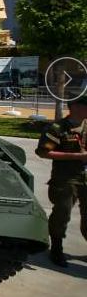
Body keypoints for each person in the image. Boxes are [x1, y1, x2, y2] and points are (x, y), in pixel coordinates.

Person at [35, 95, 87, 267]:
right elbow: (43, 152)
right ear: (76, 107)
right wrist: (76, 156)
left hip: (85, 178)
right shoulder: (57, 128)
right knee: (62, 214)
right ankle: (56, 249)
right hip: (66, 179)